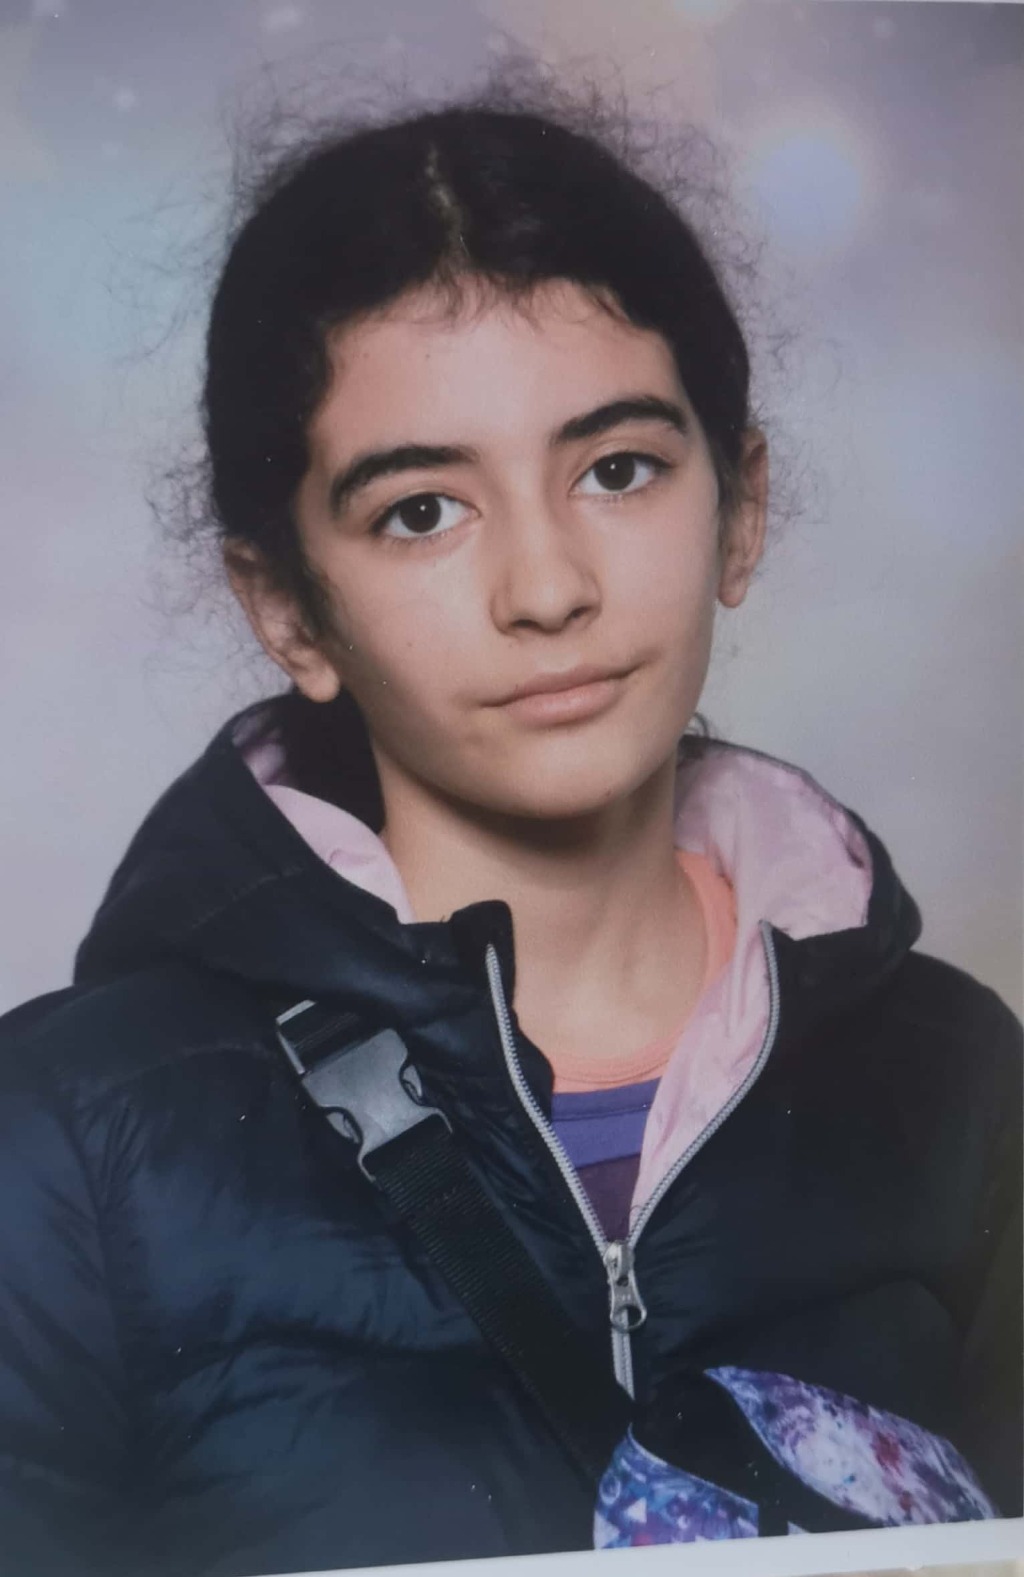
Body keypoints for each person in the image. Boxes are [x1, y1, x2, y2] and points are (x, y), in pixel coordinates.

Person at [0, 81, 1020, 1577]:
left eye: (618, 469)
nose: (547, 588)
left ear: (738, 510)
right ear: (288, 609)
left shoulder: (965, 1079)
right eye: (421, 509)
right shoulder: (62, 1138)